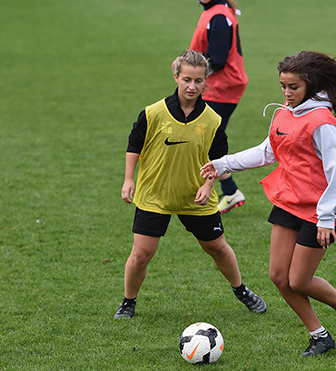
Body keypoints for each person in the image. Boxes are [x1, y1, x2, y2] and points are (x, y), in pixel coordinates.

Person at [201, 51, 336, 356]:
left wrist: (326, 217)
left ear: (311, 86)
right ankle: (320, 336)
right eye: (283, 86)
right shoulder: (283, 113)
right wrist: (223, 164)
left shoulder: (322, 123)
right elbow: (267, 151)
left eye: (293, 87)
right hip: (290, 200)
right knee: (278, 276)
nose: (287, 93)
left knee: (299, 280)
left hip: (320, 210)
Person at [113, 50, 266, 319]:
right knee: (141, 254)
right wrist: (128, 179)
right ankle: (128, 302)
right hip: (154, 196)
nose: (192, 86)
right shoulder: (153, 113)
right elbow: (134, 145)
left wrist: (208, 187)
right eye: (186, 79)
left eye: (198, 80)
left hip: (196, 197)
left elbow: (218, 160)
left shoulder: (213, 120)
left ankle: (241, 290)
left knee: (218, 248)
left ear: (206, 81)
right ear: (176, 77)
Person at [189, 0, 248, 213]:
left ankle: (222, 191)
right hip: (215, 87)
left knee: (205, 140)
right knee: (205, 139)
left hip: (221, 88)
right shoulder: (214, 12)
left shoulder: (219, 16)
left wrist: (187, 61)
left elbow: (218, 59)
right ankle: (229, 191)